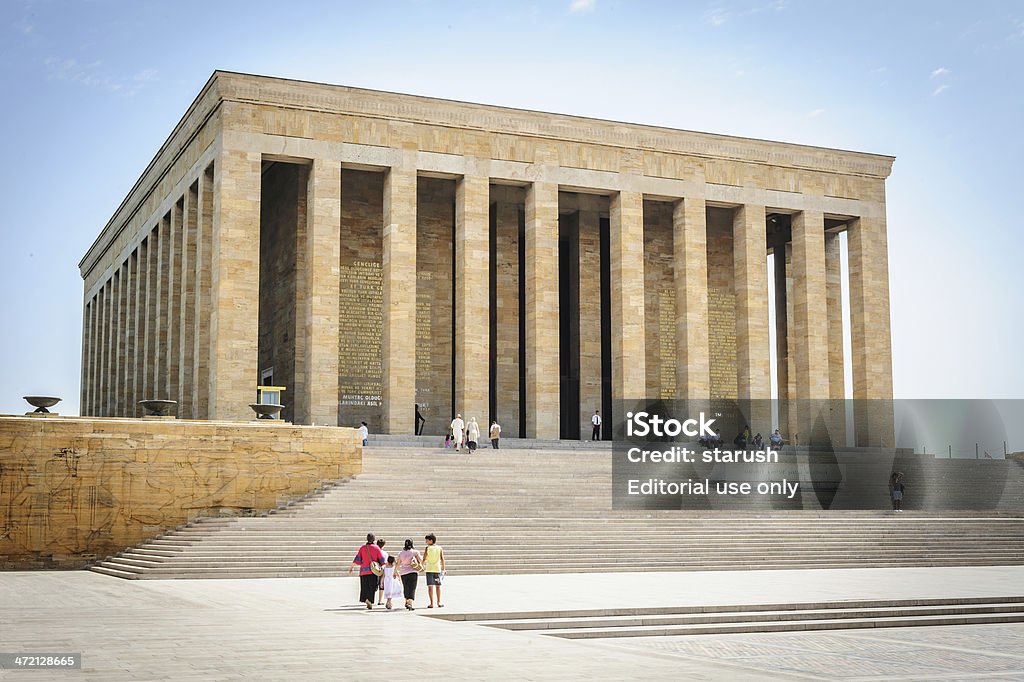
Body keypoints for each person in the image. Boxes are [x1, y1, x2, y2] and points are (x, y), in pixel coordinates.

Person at [347, 533, 385, 609]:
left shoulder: (362, 548)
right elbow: (382, 560)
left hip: (363, 571)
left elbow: (357, 559)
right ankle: (370, 600)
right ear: (374, 539)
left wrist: (351, 567)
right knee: (373, 587)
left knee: (365, 587)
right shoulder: (376, 548)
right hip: (373, 572)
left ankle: (366, 599)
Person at [396, 539, 423, 611]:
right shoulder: (415, 552)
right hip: (413, 572)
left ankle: (406, 601)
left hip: (403, 573)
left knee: (406, 587)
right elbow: (421, 560)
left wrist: (395, 571)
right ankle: (410, 603)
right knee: (412, 588)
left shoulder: (401, 553)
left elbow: (398, 563)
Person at [423, 533, 446, 608]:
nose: (426, 541)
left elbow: (424, 558)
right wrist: (443, 568)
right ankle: (439, 602)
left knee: (430, 586)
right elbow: (442, 559)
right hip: (437, 569)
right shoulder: (440, 548)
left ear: (431, 540)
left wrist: (421, 566)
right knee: (438, 586)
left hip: (429, 569)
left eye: (427, 540)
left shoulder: (427, 548)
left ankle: (431, 603)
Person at [375, 538, 389, 605]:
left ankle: (370, 599)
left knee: (373, 585)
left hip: (374, 570)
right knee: (381, 585)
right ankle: (380, 600)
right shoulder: (385, 553)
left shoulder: (374, 552)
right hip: (382, 570)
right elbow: (386, 563)